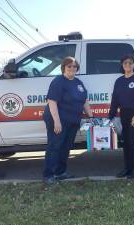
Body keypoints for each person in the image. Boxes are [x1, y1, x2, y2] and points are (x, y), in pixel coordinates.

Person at [43, 56, 93, 184]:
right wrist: (57, 121)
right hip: (58, 120)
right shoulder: (58, 81)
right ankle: (48, 175)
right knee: (55, 146)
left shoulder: (78, 82)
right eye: (69, 66)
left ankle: (60, 172)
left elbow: (85, 101)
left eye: (74, 66)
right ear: (63, 68)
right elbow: (52, 101)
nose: (72, 68)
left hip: (72, 121)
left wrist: (91, 116)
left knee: (65, 147)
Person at [108, 54, 134, 179]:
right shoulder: (119, 81)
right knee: (125, 142)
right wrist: (110, 116)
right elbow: (115, 100)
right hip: (124, 114)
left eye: (130, 63)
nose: (127, 65)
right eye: (125, 63)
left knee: (132, 141)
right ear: (122, 65)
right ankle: (127, 168)